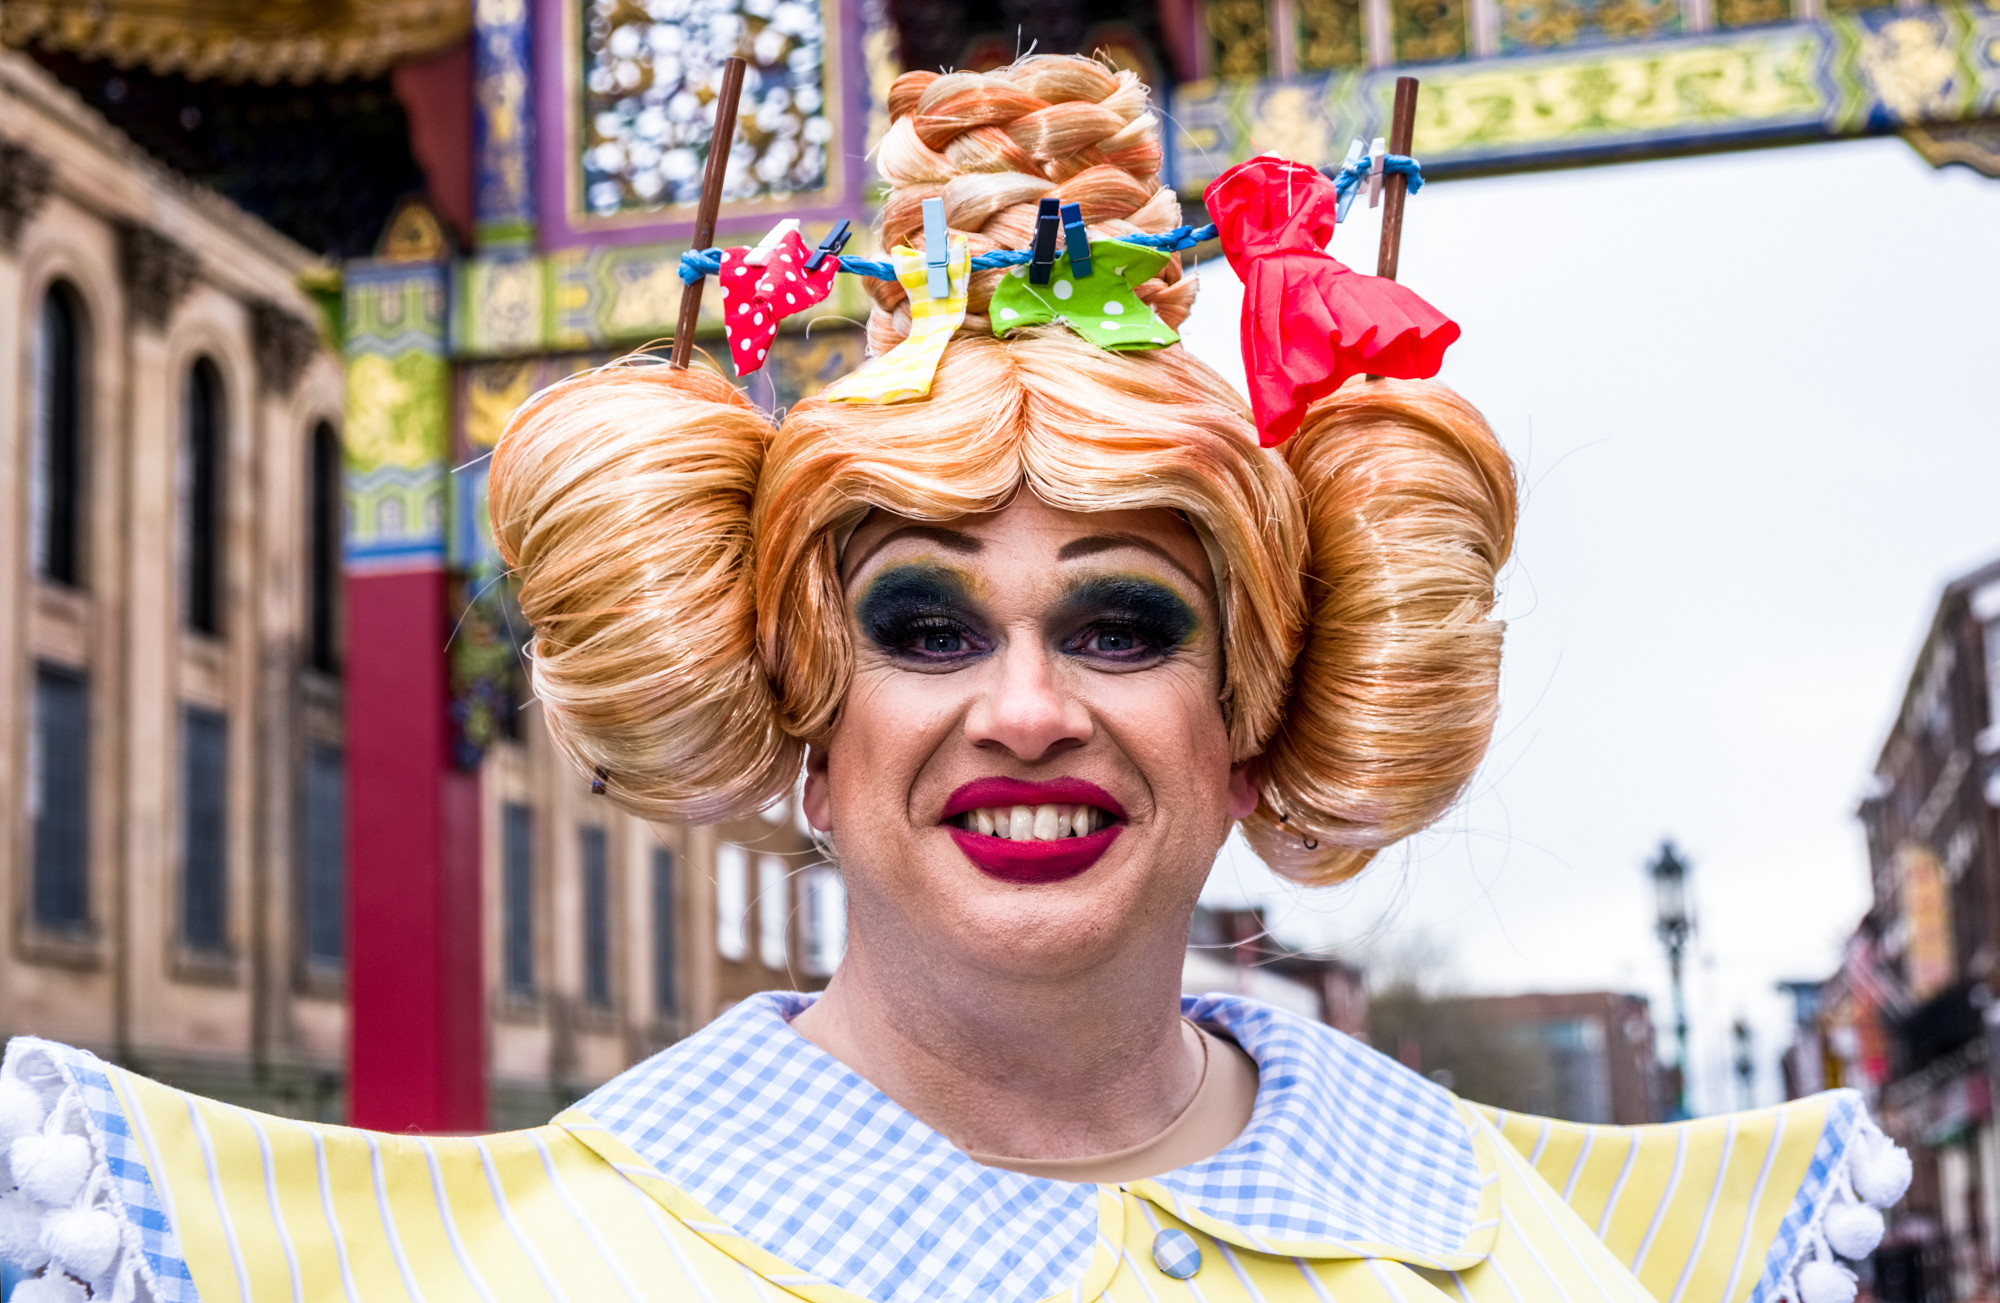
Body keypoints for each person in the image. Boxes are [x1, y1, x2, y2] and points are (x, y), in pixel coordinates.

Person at [0, 54, 1902, 1303]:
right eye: (922, 628)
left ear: (1254, 715)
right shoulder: (509, 1267)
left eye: (1124, 623)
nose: (1024, 708)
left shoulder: (1544, 1255)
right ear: (805, 734)